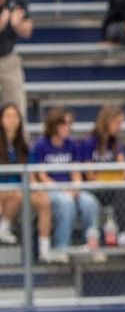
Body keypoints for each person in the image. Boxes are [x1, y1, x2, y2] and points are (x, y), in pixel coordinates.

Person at [31, 108, 100, 262]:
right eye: (64, 124)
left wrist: (76, 187)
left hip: (69, 188)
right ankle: (61, 247)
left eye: (70, 124)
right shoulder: (41, 145)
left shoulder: (72, 145)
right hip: (50, 190)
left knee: (90, 202)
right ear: (54, 125)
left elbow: (76, 172)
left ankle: (91, 245)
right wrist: (63, 189)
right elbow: (42, 176)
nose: (68, 128)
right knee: (66, 202)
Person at [77, 103, 125, 248]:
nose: (120, 127)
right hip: (95, 189)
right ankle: (123, 231)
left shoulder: (114, 143)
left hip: (113, 188)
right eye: (117, 123)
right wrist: (110, 178)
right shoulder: (89, 142)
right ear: (107, 121)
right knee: (120, 190)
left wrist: (120, 176)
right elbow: (90, 175)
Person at [0, 103, 50, 249]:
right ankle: (3, 229)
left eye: (15, 116)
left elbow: (31, 176)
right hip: (3, 190)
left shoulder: (24, 146)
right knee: (17, 194)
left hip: (20, 191)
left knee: (44, 201)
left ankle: (44, 249)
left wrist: (38, 191)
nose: (12, 120)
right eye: (8, 116)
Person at [0, 0, 32, 117]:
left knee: (17, 108)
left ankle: (20, 141)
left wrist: (17, 24)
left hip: (8, 57)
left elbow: (28, 31)